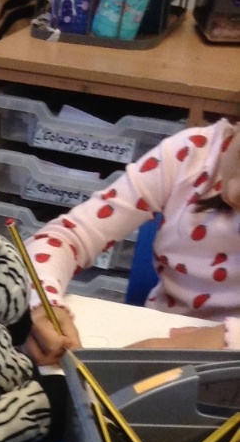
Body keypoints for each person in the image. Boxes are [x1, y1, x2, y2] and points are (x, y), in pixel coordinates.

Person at [25, 117, 240, 352]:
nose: (234, 192)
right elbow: (65, 237)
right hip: (157, 337)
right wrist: (42, 303)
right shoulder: (191, 155)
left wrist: (223, 338)